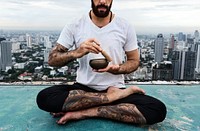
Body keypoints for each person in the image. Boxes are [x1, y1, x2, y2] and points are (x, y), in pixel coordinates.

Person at [36, 0, 166, 125]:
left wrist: (118, 69)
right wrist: (76, 52)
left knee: (157, 110)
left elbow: (134, 61)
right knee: (44, 98)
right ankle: (111, 99)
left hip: (114, 88)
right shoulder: (75, 24)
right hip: (83, 90)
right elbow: (52, 59)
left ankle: (85, 112)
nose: (103, 1)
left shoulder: (124, 26)